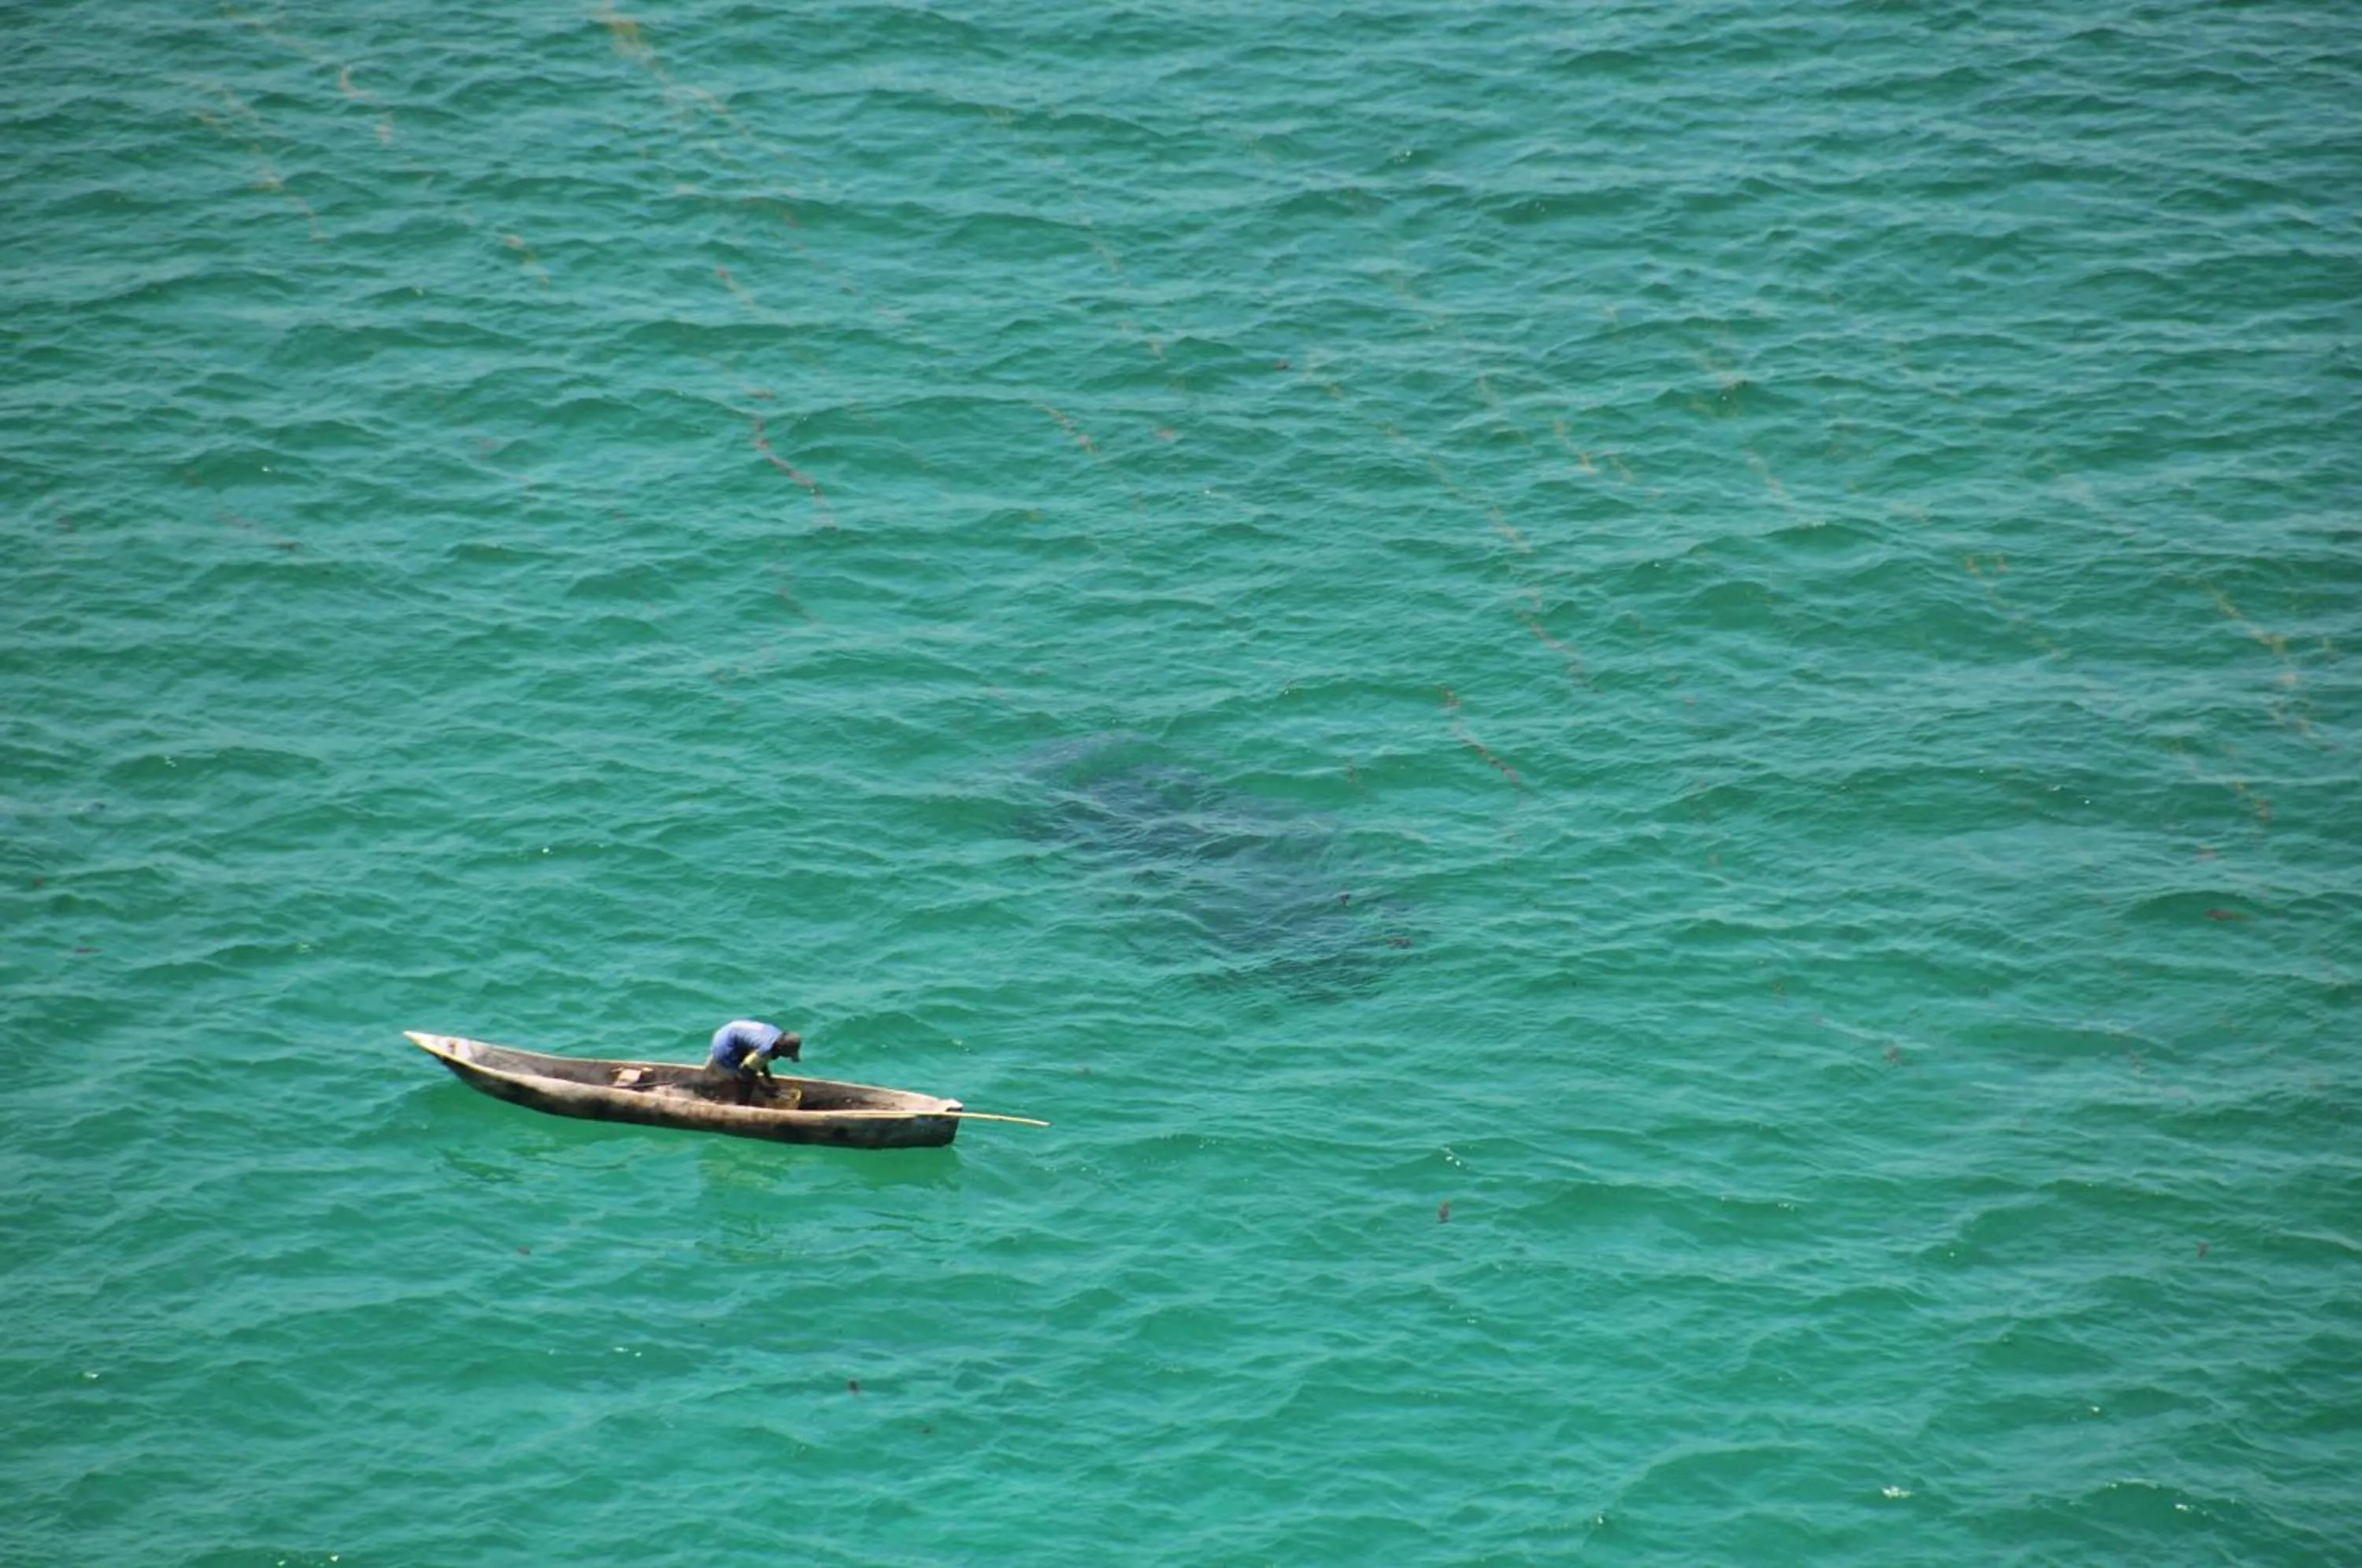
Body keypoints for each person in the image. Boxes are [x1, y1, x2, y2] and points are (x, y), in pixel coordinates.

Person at [705, 1019, 802, 1106]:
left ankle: (714, 1070)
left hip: (729, 1031)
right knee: (745, 1081)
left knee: (751, 1071)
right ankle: (741, 1107)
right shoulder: (766, 1049)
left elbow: (760, 1060)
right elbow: (745, 1071)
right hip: (725, 1046)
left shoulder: (777, 1035)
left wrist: (770, 1080)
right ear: (780, 1048)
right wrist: (765, 1088)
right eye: (786, 1055)